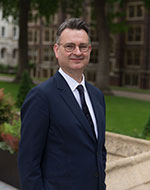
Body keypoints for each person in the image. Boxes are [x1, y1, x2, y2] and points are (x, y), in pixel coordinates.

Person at [18, 18, 107, 190]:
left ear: (89, 50)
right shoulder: (41, 97)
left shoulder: (97, 96)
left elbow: (98, 151)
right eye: (69, 46)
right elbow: (28, 163)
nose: (77, 52)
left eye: (82, 46)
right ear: (56, 50)